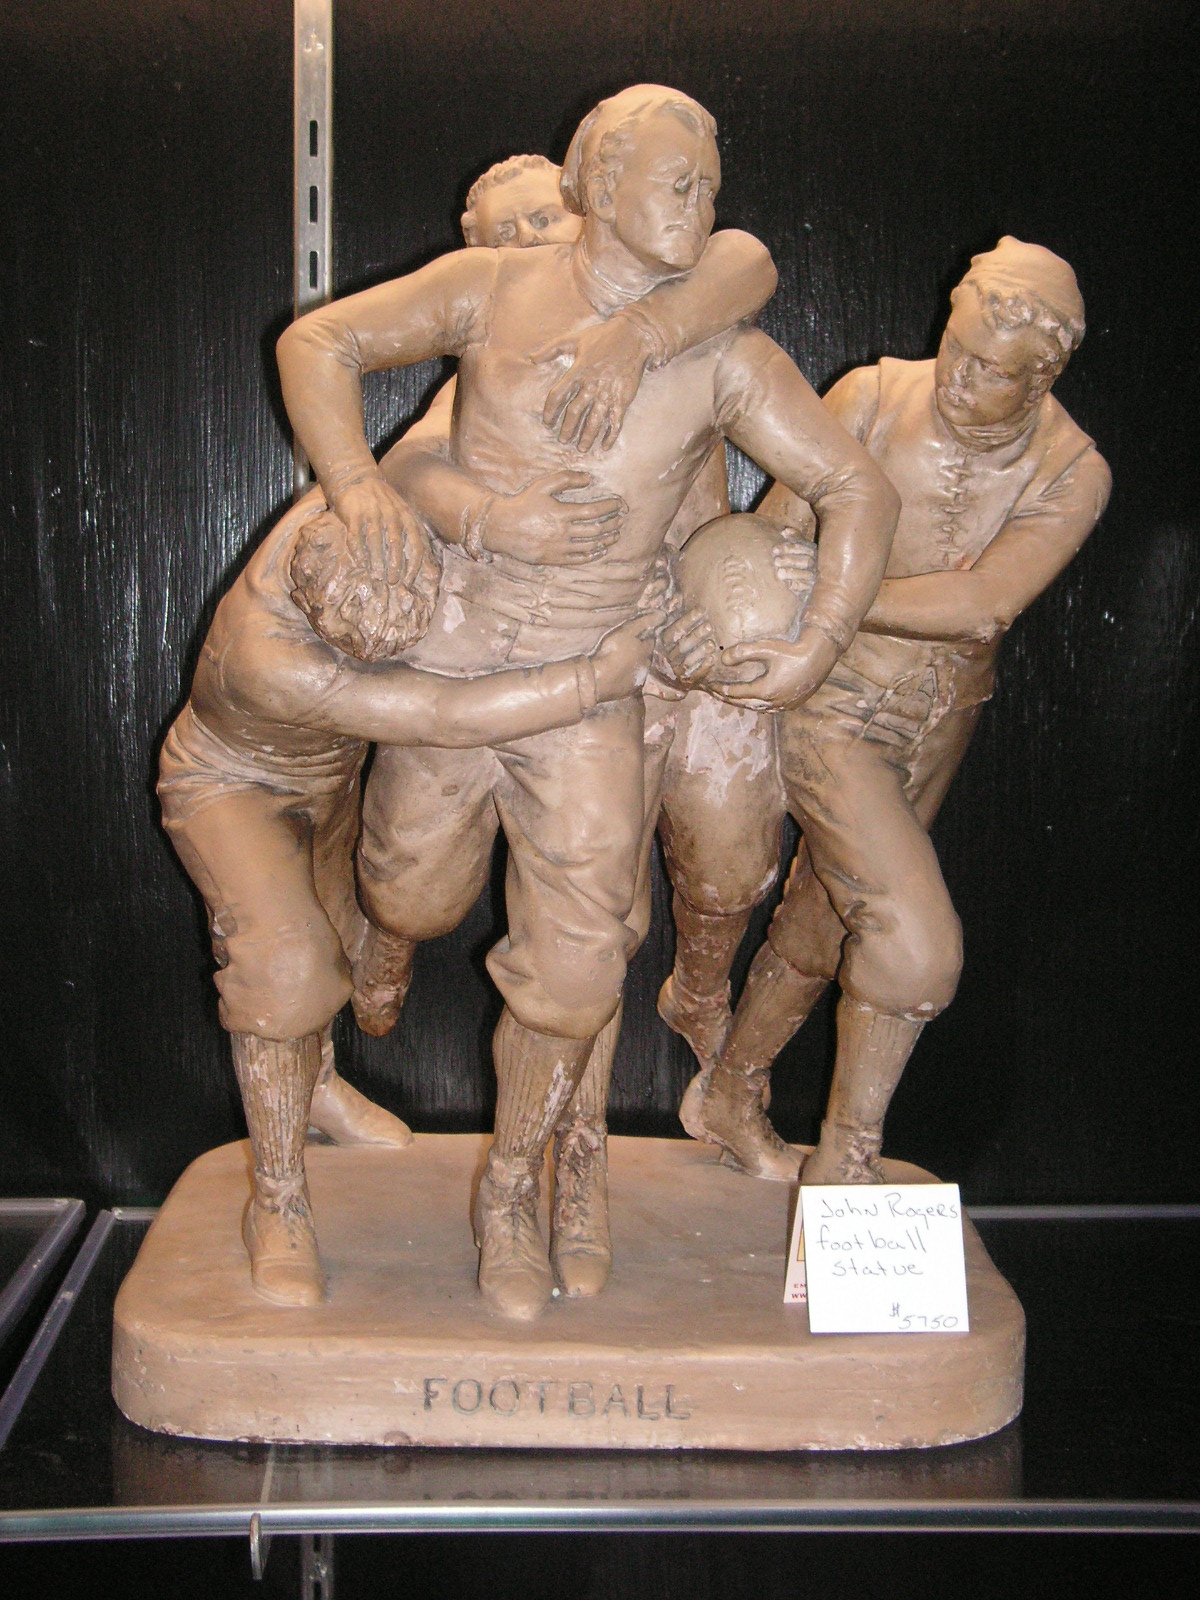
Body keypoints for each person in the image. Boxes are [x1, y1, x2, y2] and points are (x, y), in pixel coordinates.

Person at [276, 84, 899, 1318]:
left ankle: (516, 1187)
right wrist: (360, 488)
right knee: (412, 890)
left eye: (710, 189)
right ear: (600, 184)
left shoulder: (720, 354)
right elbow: (317, 345)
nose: (701, 208)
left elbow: (857, 490)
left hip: (592, 694)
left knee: (572, 972)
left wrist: (820, 640)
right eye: (678, 184)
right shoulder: (493, 288)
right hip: (457, 664)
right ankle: (390, 931)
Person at [354, 148, 788, 1302]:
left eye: (544, 219)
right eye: (504, 236)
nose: (530, 247)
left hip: (656, 663)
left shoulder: (674, 317)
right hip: (527, 657)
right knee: (425, 891)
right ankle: (388, 926)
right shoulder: (505, 350)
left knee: (626, 916)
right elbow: (409, 461)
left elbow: (746, 256)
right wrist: (491, 519)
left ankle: (574, 1160)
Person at [677, 237, 1111, 1186]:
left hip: (939, 723)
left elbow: (986, 604)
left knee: (826, 924)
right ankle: (848, 1162)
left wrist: (840, 589)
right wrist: (779, 609)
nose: (958, 377)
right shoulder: (871, 397)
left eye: (990, 372)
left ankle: (730, 1093)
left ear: (1041, 379)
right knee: (914, 947)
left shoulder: (1073, 470)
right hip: (831, 706)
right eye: (956, 348)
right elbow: (774, 545)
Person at [159, 496, 658, 1305]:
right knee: (286, 969)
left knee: (338, 943)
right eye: (359, 646)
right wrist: (591, 680)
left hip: (332, 779)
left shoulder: (364, 515)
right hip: (232, 784)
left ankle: (316, 1086)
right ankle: (278, 1199)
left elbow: (433, 469)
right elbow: (438, 712)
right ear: (313, 609)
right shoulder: (268, 658)